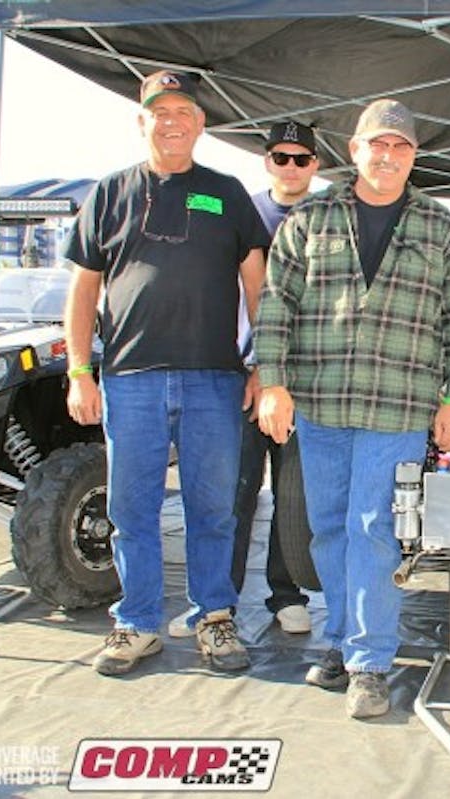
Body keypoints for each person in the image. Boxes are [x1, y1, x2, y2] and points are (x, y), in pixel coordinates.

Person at [254, 98, 450, 719]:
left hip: (400, 407)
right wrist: (271, 382)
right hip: (322, 404)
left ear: (414, 156)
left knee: (372, 530)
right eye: (376, 145)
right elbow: (275, 305)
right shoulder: (310, 217)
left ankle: (371, 662)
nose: (388, 157)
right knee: (327, 528)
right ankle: (341, 639)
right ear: (354, 151)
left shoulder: (440, 225)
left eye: (401, 147)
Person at [63, 70, 270, 676]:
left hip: (214, 380)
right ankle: (137, 624)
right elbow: (82, 292)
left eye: (184, 110)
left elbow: (259, 288)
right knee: (132, 510)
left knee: (214, 509)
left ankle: (213, 618)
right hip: (130, 379)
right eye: (160, 111)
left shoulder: (227, 193)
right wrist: (80, 371)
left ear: (201, 124)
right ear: (142, 121)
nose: (172, 120)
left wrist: (263, 365)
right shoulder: (109, 193)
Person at [167, 120, 320, 639]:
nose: (291, 166)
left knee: (293, 495)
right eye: (282, 156)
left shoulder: (331, 218)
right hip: (243, 377)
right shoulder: (238, 209)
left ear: (317, 165)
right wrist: (255, 366)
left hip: (308, 380)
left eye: (302, 158)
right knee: (230, 492)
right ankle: (214, 601)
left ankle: (286, 593)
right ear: (266, 160)